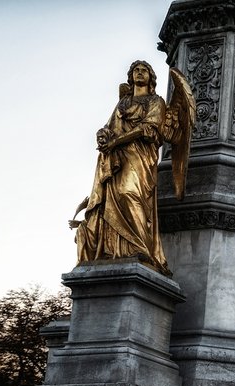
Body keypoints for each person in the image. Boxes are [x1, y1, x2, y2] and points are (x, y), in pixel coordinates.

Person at [74, 61, 171, 274]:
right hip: (118, 157)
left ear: (151, 77)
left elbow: (148, 128)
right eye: (136, 70)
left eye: (144, 70)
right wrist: (103, 136)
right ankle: (117, 250)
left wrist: (116, 141)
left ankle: (140, 247)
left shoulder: (156, 101)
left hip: (140, 156)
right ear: (131, 76)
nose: (139, 73)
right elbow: (109, 127)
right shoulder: (123, 103)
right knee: (114, 197)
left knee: (129, 194)